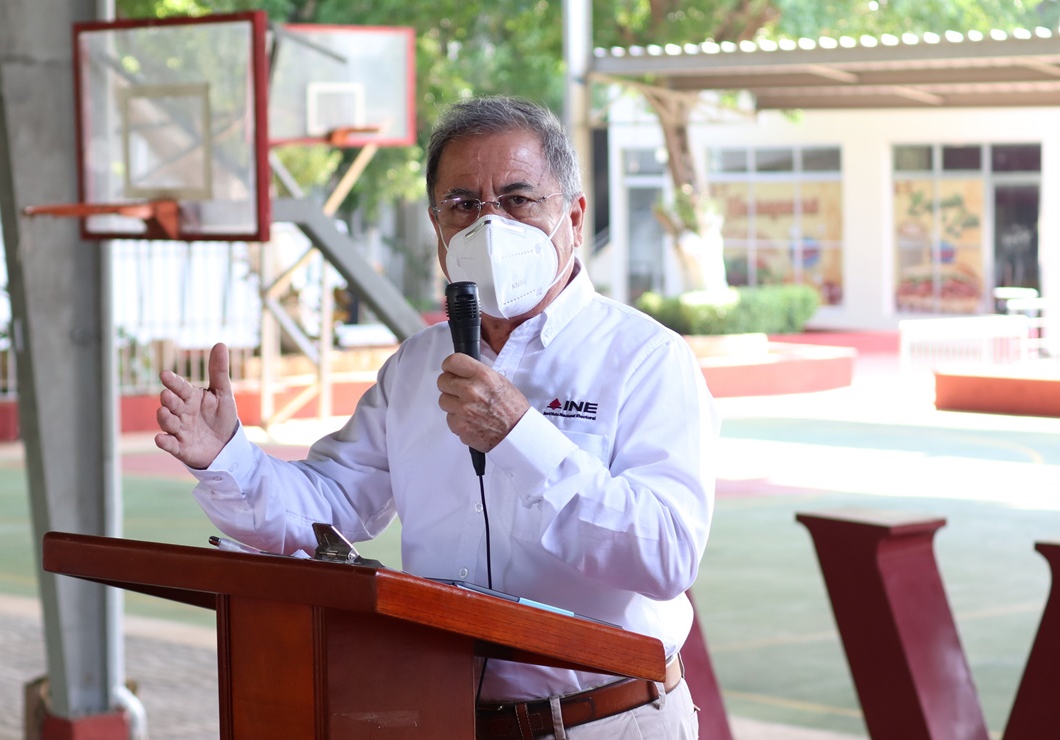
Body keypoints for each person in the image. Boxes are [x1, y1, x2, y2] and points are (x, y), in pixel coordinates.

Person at [155, 95, 719, 739]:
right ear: (438, 227)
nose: (491, 225)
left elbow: (666, 554)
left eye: (517, 199)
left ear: (574, 214)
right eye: (464, 205)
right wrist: (225, 455)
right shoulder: (418, 366)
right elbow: (331, 505)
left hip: (608, 719)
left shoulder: (645, 359)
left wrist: (520, 437)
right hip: (443, 716)